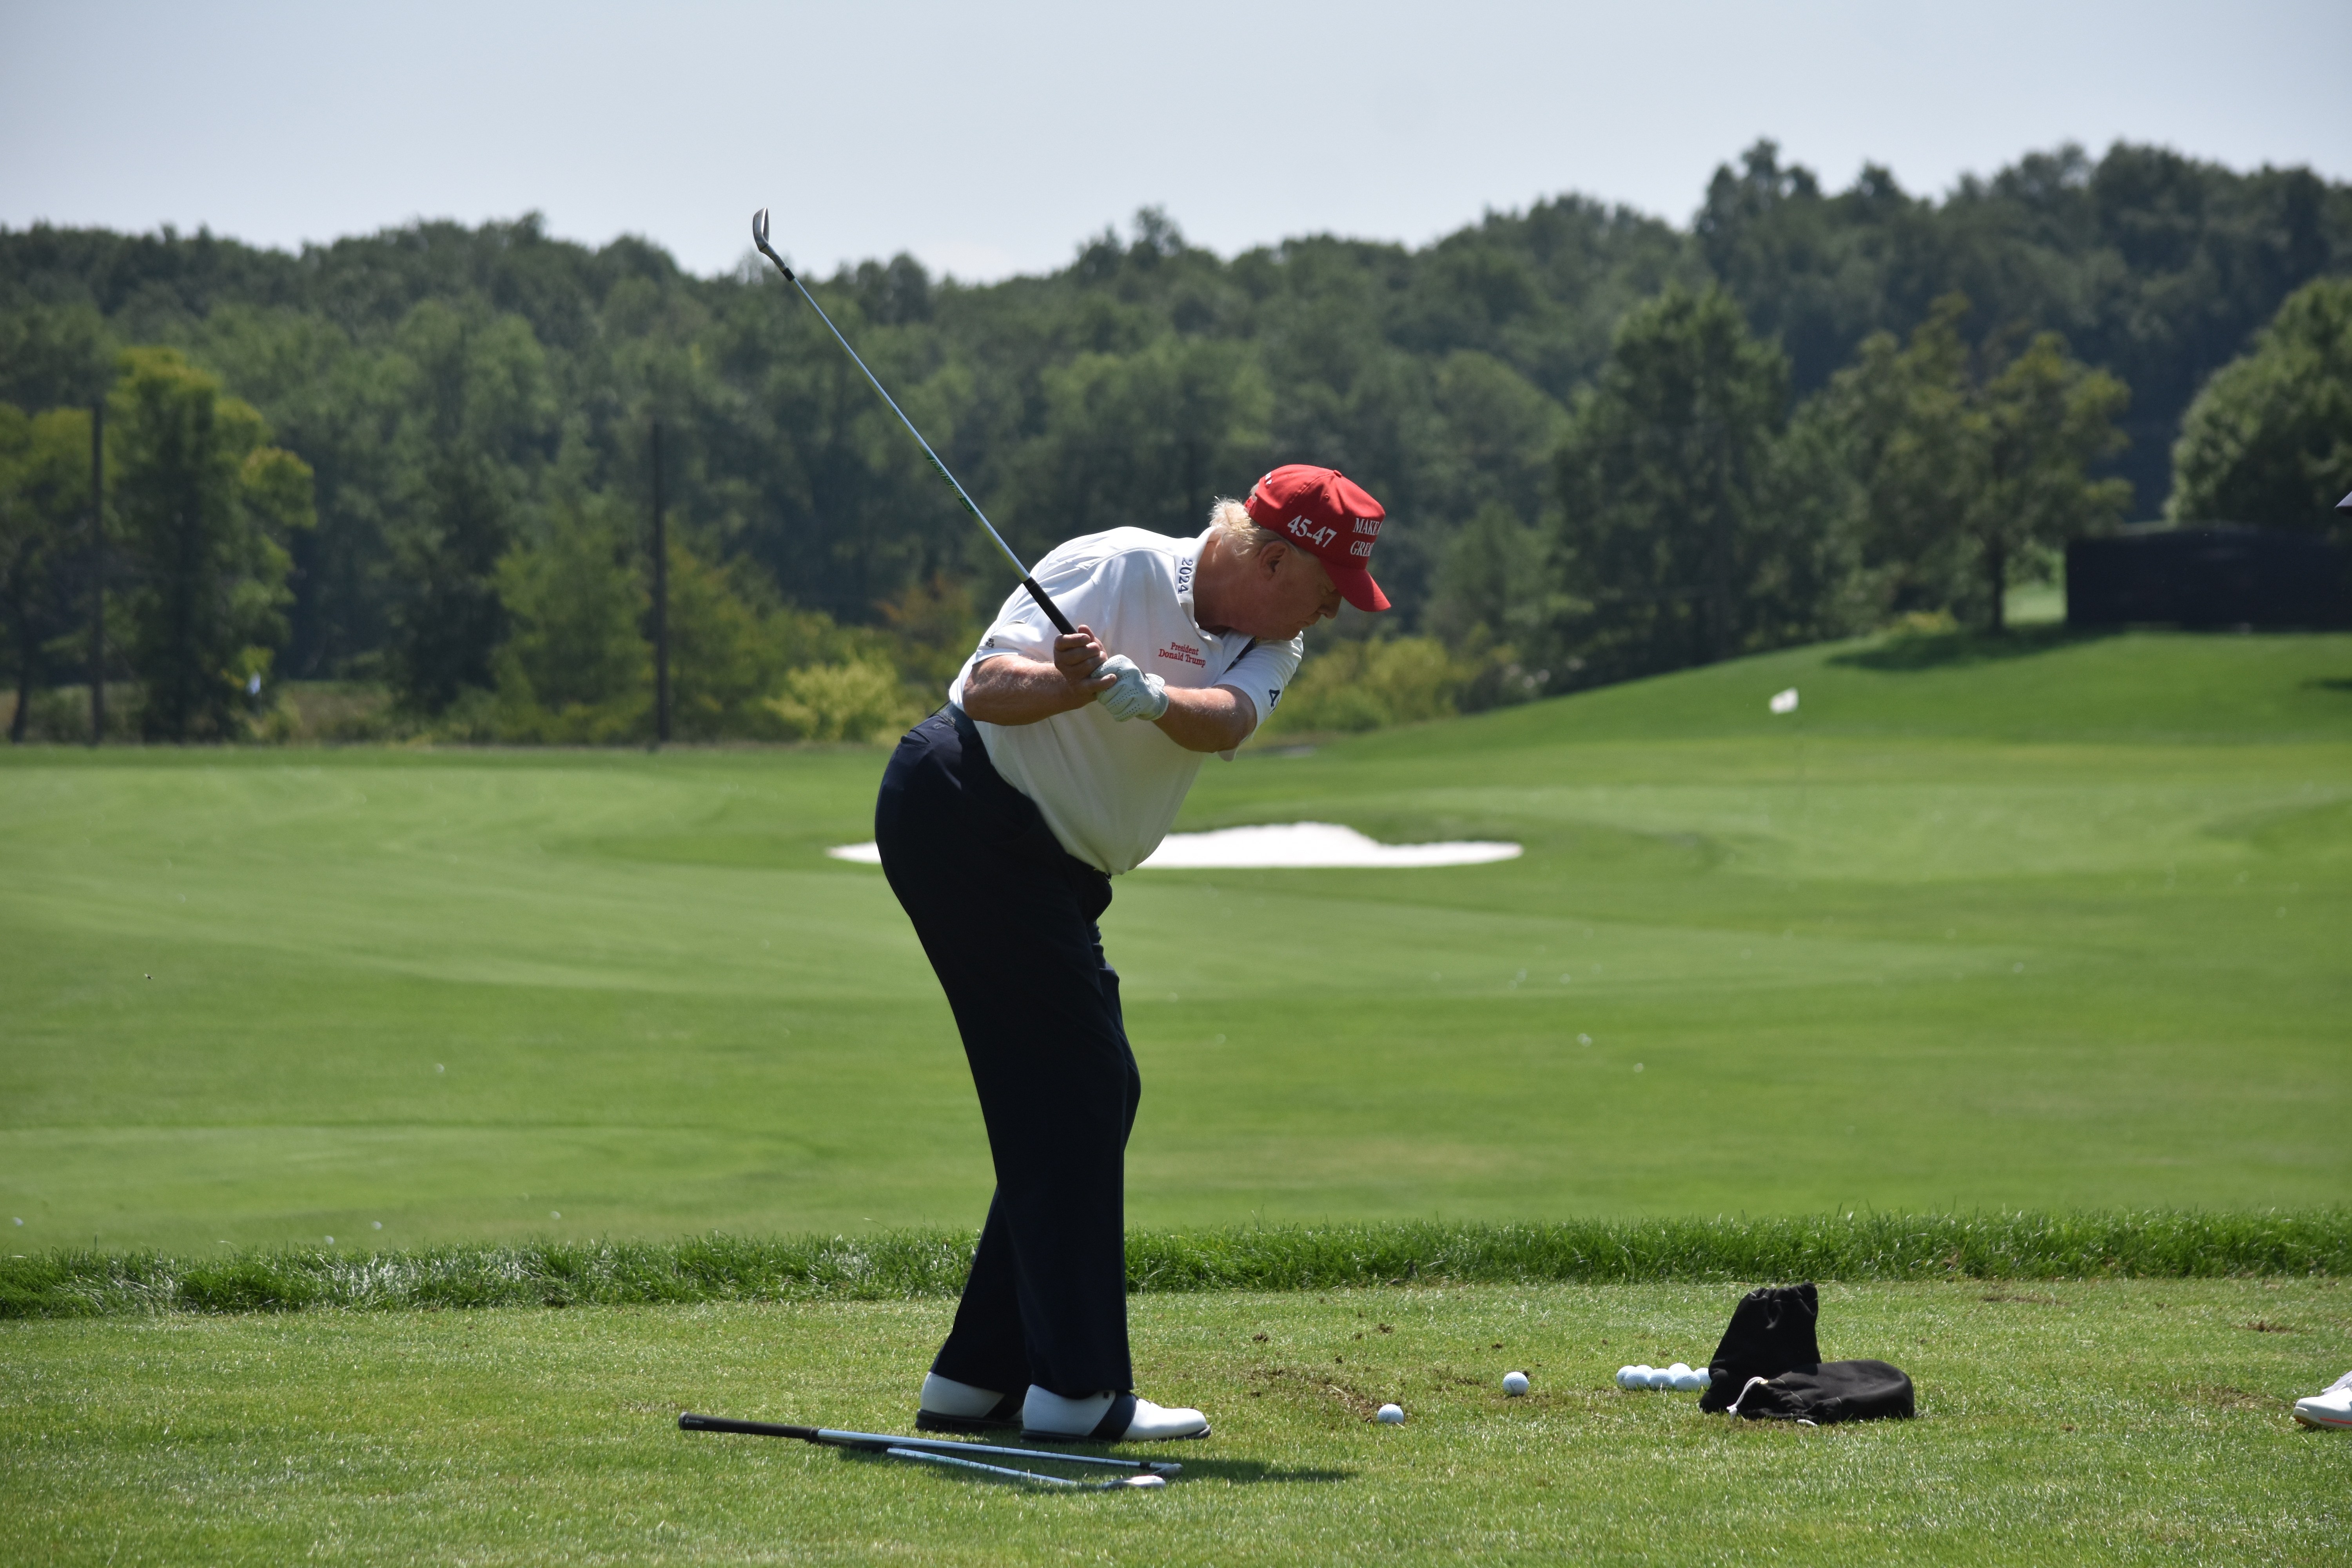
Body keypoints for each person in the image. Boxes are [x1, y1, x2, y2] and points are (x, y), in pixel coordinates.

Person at [873, 465, 1391, 1443]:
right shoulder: (1113, 565)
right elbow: (985, 689)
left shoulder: (1278, 641)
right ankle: (1076, 1391)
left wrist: (1150, 696)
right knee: (1080, 1084)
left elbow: (1226, 719)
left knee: (1100, 1091)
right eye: (1330, 586)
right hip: (965, 811)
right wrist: (1068, 681)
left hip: (1053, 867)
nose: (1337, 609)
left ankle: (976, 1377)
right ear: (1273, 556)